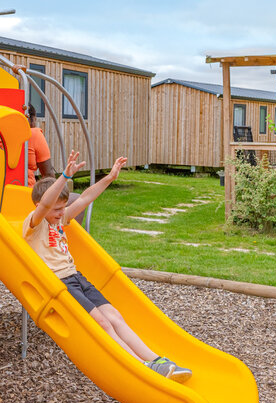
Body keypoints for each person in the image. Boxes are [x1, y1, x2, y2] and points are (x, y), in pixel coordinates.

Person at [24, 149, 192, 382]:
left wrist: (110, 177)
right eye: (56, 208)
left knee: (114, 316)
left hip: (76, 277)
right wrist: (64, 176)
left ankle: (155, 360)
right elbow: (45, 204)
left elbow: (84, 198)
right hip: (59, 283)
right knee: (101, 323)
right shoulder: (34, 222)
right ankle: (139, 365)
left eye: (63, 208)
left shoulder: (60, 219)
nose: (61, 212)